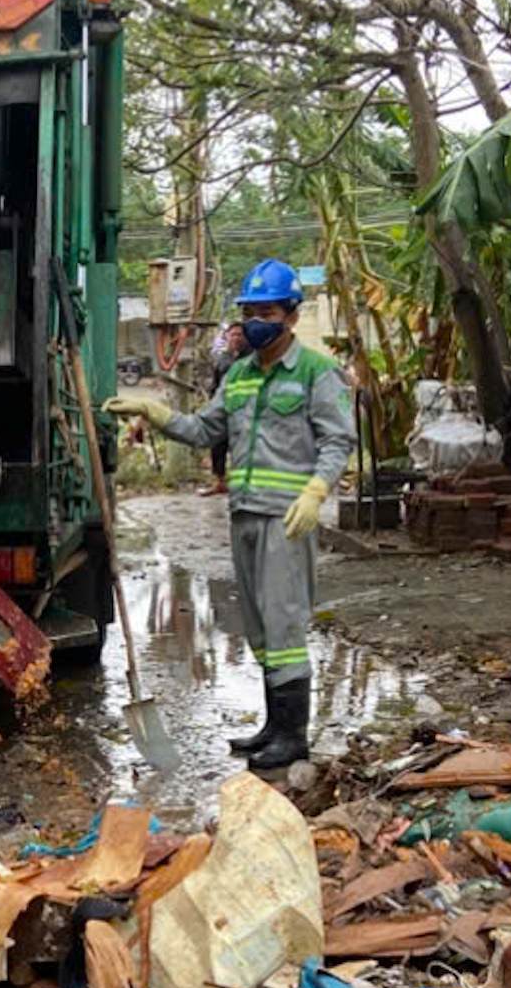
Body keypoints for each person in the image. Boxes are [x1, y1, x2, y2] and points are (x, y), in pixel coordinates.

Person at [104, 260, 354, 770]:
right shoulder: (239, 374)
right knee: (259, 627)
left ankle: (293, 737)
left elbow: (338, 439)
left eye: (266, 311)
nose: (257, 320)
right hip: (243, 515)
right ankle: (272, 726)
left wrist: (315, 492)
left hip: (287, 518)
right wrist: (157, 414)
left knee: (284, 625)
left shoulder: (315, 372)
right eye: (249, 312)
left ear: (290, 314)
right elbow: (204, 430)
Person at [202, 322, 246, 497]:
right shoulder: (222, 359)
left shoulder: (251, 359)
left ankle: (241, 484)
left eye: (239, 335)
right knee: (218, 445)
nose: (236, 338)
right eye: (233, 334)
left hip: (243, 412)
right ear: (226, 337)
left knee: (241, 447)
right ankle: (219, 482)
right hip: (223, 409)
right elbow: (215, 384)